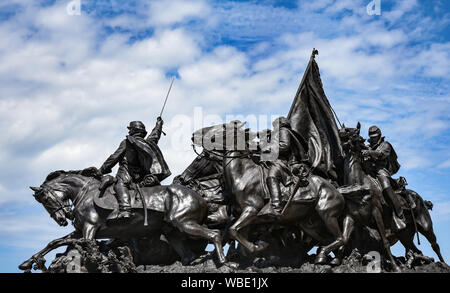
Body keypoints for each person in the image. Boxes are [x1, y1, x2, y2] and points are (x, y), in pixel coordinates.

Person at [97, 117, 171, 220]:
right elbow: (155, 135)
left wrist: (101, 170)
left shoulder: (127, 142)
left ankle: (125, 209)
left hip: (126, 175)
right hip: (141, 177)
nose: (129, 131)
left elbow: (114, 157)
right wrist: (159, 125)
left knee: (119, 185)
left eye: (130, 129)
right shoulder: (147, 143)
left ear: (133, 130)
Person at [262, 117, 308, 217]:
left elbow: (284, 145)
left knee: (272, 176)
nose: (274, 126)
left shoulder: (283, 131)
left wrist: (268, 148)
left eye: (275, 124)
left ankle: (276, 207)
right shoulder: (277, 133)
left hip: (284, 161)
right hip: (276, 159)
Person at [362, 125, 405, 229]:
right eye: (371, 137)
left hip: (381, 170)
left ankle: (399, 213)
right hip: (368, 170)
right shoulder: (368, 146)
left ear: (379, 136)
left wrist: (369, 152)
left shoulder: (385, 145)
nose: (373, 139)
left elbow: (381, 155)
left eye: (375, 137)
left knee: (385, 186)